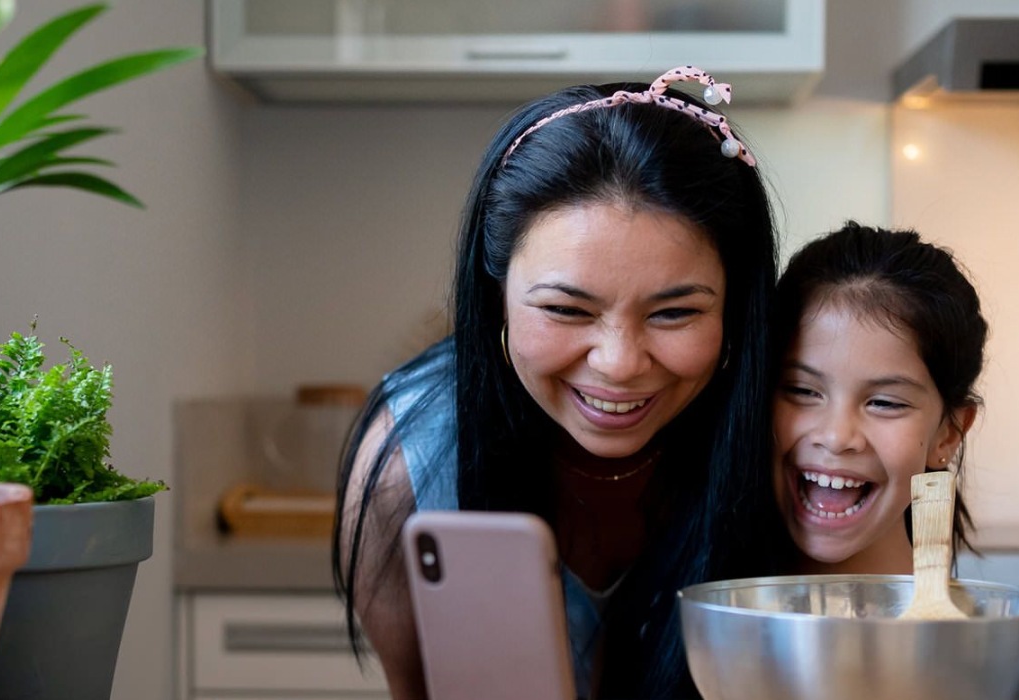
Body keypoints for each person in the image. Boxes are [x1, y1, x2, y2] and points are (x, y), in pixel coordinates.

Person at [332, 67, 785, 700]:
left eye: (675, 312)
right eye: (567, 310)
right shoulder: (412, 464)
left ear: (735, 309)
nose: (620, 363)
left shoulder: (789, 439)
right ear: (497, 302)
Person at [768, 222, 1019, 700]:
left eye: (884, 402)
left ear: (948, 432)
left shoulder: (988, 660)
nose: (837, 436)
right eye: (801, 391)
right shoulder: (702, 620)